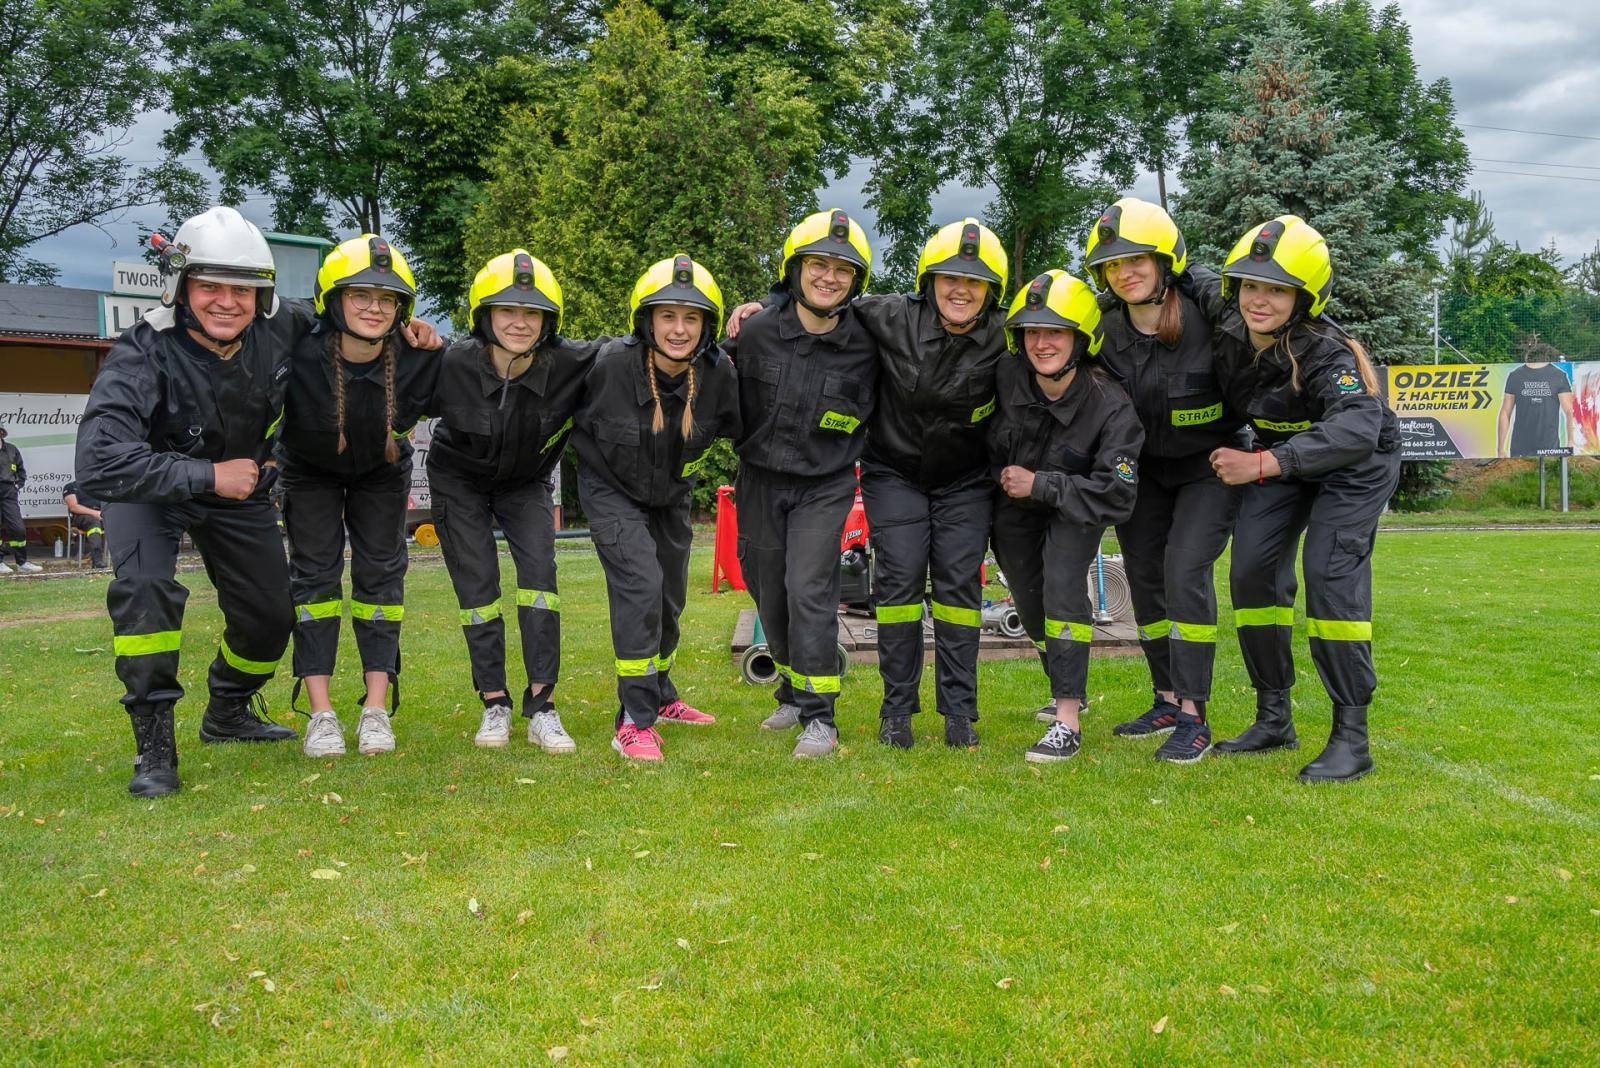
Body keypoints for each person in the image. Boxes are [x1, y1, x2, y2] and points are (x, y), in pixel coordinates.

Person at [74, 205, 439, 798]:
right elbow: (97, 462)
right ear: (179, 287)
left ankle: (228, 708)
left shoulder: (285, 325)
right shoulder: (143, 350)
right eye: (210, 286)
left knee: (273, 617)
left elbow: (354, 316)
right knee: (145, 601)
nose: (227, 301)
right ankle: (155, 747)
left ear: (263, 296)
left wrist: (408, 332)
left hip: (238, 491)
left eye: (243, 289)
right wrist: (207, 474)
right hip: (150, 491)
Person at [728, 217, 1009, 750]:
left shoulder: (1004, 334)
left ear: (992, 292)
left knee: (956, 594)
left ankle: (953, 713)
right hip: (892, 474)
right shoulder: (886, 317)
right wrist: (766, 302)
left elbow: (1056, 336)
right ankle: (886, 708)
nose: (960, 289)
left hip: (963, 483)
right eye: (949, 277)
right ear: (928, 280)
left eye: (974, 282)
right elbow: (818, 300)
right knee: (880, 592)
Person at [1208, 215, 1400, 783]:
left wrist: (1261, 463)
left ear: (1305, 297)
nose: (1258, 300)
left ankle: (1351, 738)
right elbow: (1177, 276)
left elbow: (1358, 429)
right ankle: (1274, 718)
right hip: (1282, 459)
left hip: (1353, 467)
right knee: (1250, 574)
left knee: (1328, 574)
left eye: (1276, 289)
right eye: (1250, 285)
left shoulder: (1326, 351)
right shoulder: (1228, 323)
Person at [1081, 198, 1243, 763]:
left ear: (1165, 261)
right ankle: (1167, 699)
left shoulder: (1209, 316)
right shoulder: (1103, 329)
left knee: (1183, 572)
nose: (1125, 272)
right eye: (1112, 264)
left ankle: (1195, 717)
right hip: (1143, 474)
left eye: (1137, 260)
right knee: (1146, 579)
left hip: (1209, 467)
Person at [427, 250, 596, 754]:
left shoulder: (571, 362)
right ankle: (494, 703)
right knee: (478, 588)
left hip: (526, 484)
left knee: (541, 581)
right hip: (458, 482)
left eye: (532, 313)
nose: (520, 322)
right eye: (507, 311)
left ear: (549, 322)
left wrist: (744, 321)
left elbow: (641, 348)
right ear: (484, 316)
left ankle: (543, 706)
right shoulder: (451, 363)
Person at [572, 255, 740, 762]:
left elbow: (750, 433)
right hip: (609, 492)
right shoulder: (608, 365)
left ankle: (662, 694)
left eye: (691, 318)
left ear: (707, 326)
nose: (679, 328)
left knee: (670, 597)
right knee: (641, 586)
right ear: (645, 320)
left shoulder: (719, 375)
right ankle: (633, 719)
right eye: (668, 315)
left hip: (671, 496)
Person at [724, 210, 878, 757]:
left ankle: (821, 718)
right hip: (759, 481)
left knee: (809, 587)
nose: (829, 277)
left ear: (855, 282)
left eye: (843, 269)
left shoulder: (871, 341)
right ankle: (790, 690)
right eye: (819, 264)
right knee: (766, 586)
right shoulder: (755, 332)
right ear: (796, 269)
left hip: (825, 483)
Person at [279, 235, 435, 758]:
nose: (374, 307)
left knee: (381, 581)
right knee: (316, 580)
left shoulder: (417, 355)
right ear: (333, 300)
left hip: (381, 475)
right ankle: (320, 715)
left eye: (387, 299)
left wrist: (432, 339)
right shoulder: (298, 344)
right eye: (361, 295)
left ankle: (375, 711)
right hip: (309, 474)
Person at [988, 270, 1143, 763]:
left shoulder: (1111, 405)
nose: (1041, 343)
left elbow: (1117, 494)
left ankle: (1067, 720)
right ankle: (1061, 684)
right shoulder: (1007, 374)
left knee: (1062, 587)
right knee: (1030, 603)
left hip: (1077, 507)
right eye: (1032, 332)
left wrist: (1042, 484)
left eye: (1055, 331)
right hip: (1015, 509)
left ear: (1081, 339)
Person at [1497, 342, 1577, 457]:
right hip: (1535, 446)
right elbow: (1570, 412)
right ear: (1548, 357)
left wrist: (1500, 448)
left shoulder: (1558, 375)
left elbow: (1505, 412)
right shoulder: (1558, 375)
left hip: (1540, 447)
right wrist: (1570, 442)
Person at [0, 427, 42, 573]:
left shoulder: (11, 449)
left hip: (9, 493)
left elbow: (21, 471)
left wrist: (17, 486)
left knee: (18, 528)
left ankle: (22, 562)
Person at [62, 478, 107, 568]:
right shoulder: (71, 487)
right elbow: (73, 507)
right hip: (82, 517)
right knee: (94, 524)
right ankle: (97, 560)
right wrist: (95, 513)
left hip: (102, 515)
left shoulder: (100, 486)